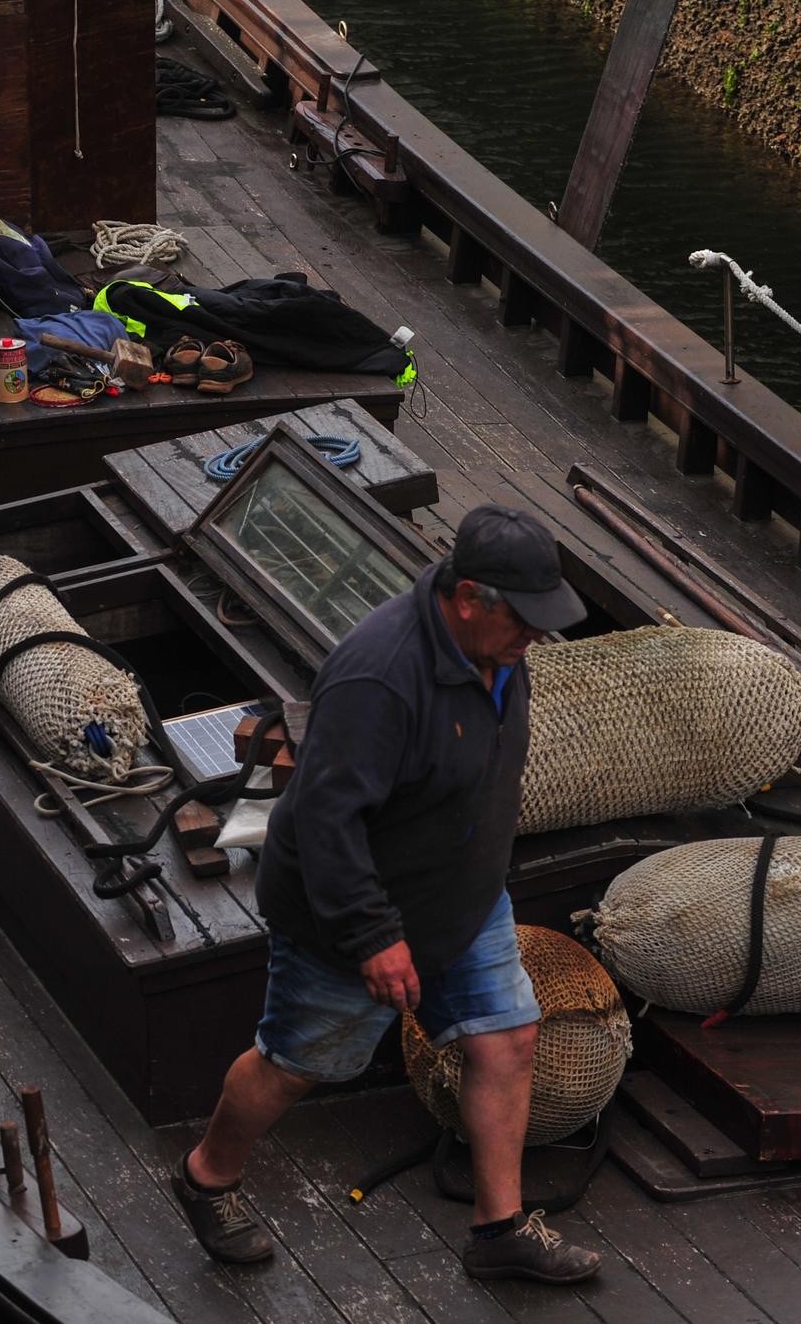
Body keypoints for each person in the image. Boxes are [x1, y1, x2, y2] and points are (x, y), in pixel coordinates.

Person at [174, 505, 603, 1285]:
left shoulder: (502, 649)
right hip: (351, 914)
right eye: (524, 620)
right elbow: (327, 823)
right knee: (296, 1063)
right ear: (468, 597)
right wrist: (373, 934)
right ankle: (207, 1175)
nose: (534, 638)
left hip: (462, 897)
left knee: (506, 1037)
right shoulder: (379, 677)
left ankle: (498, 1228)